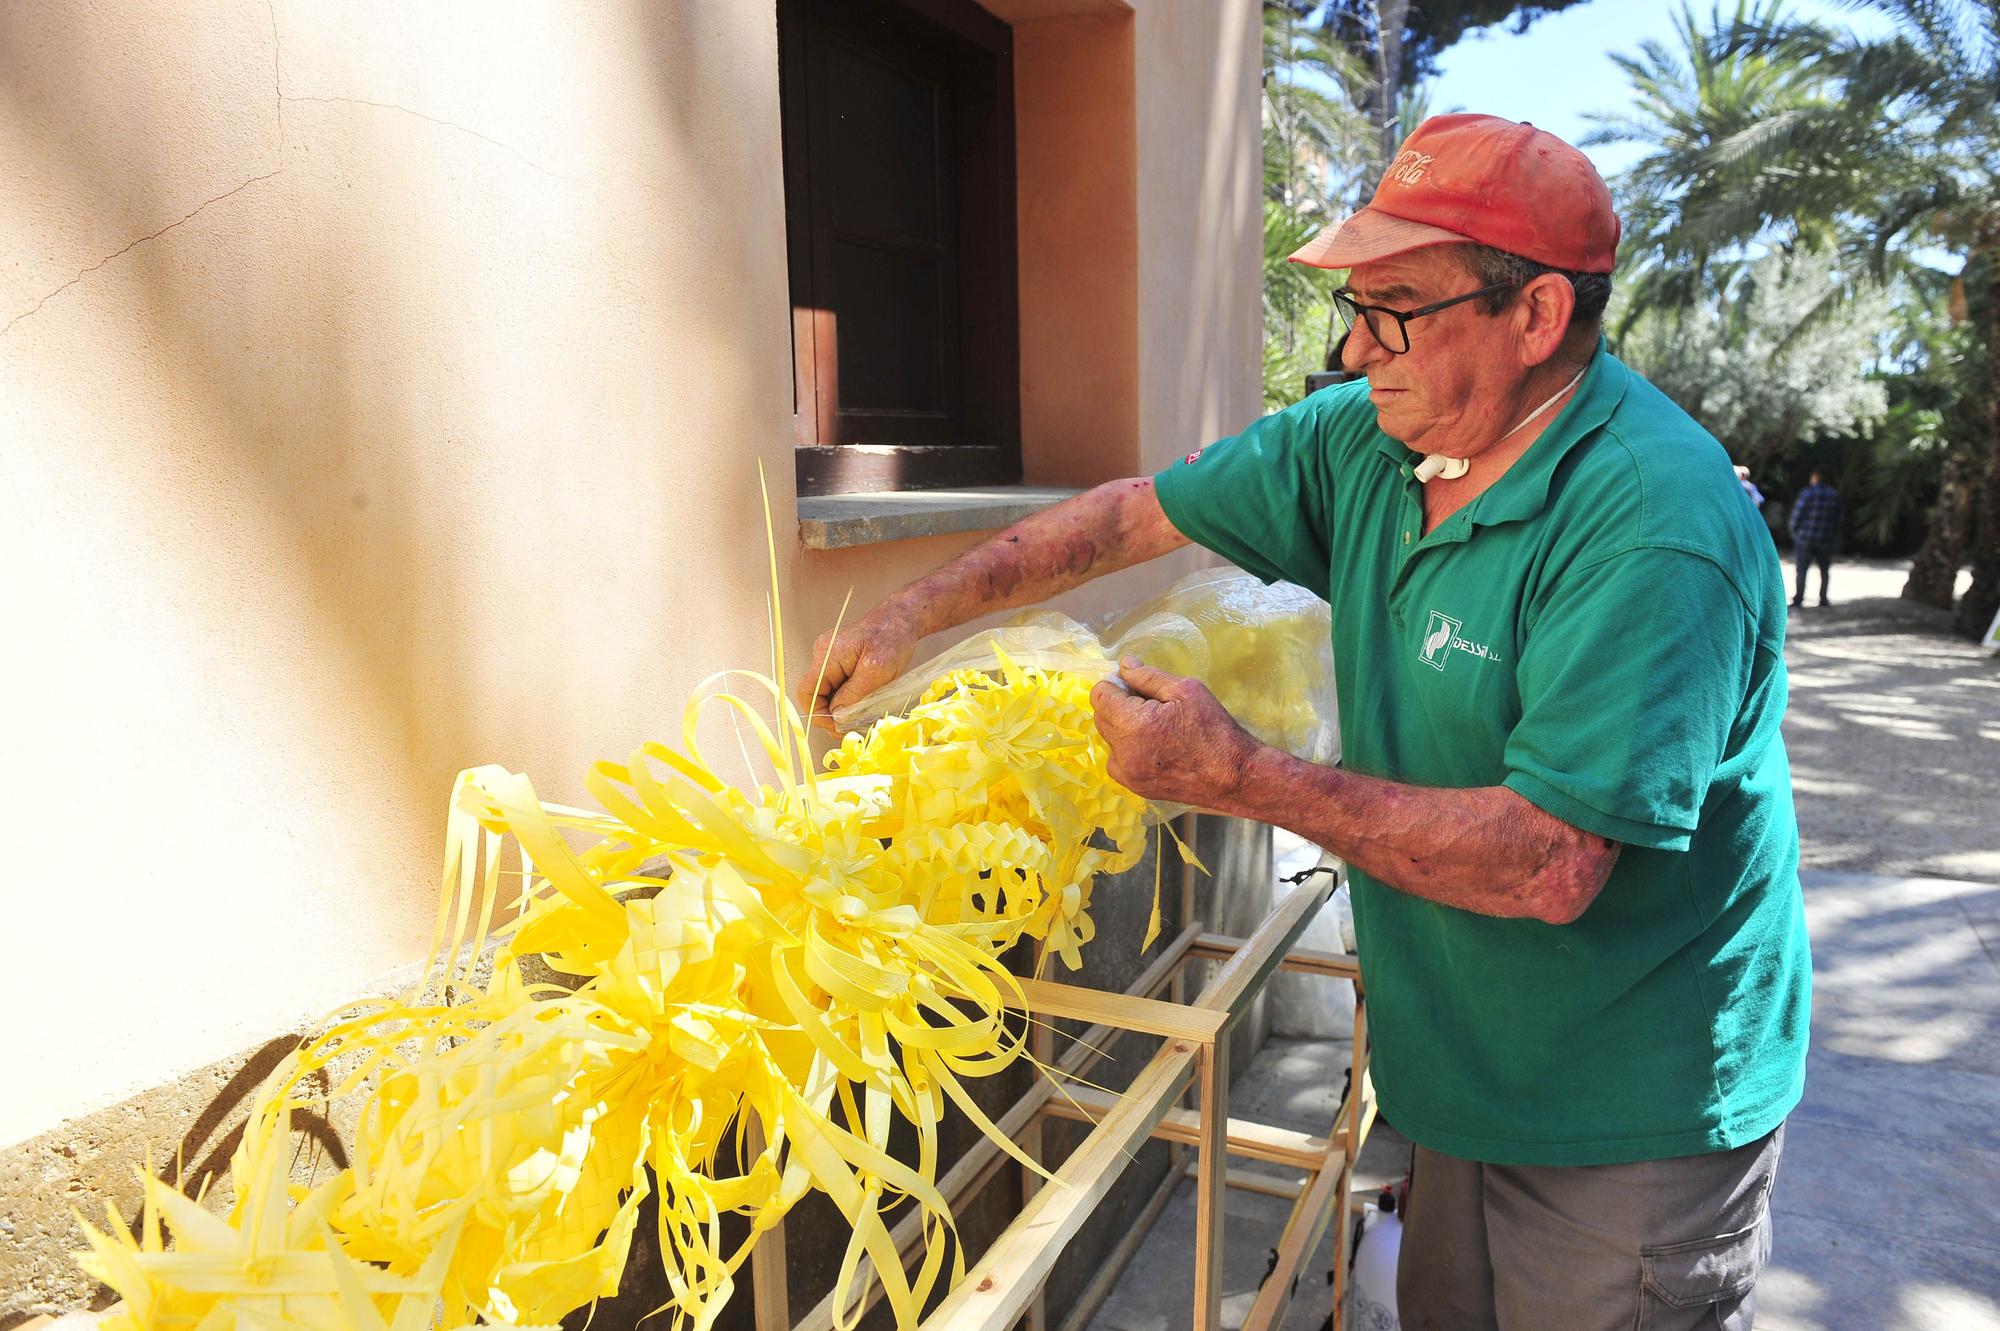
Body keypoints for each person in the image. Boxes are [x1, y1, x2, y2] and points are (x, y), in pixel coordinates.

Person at [796, 114, 1809, 1331]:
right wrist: (917, 608)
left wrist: (1246, 777)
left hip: (1624, 1100)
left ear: (1536, 316)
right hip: (1454, 1068)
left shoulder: (1653, 525)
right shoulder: (1372, 439)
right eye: (1354, 305)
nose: (1351, 344)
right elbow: (1131, 517)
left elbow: (1548, 862)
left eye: (1394, 309)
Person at [1789, 470, 1842, 607]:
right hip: (1825, 539)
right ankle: (1823, 599)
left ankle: (1799, 599)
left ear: (1815, 478)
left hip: (1805, 538)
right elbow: (1838, 519)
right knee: (1824, 570)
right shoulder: (1834, 495)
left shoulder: (1807, 493)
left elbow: (1797, 515)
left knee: (1801, 570)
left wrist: (1795, 532)